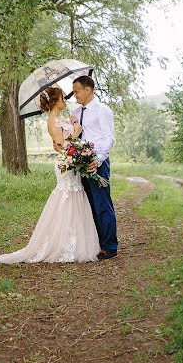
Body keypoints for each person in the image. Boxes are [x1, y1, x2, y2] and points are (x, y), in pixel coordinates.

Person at [0, 86, 100, 264]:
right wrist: (76, 131)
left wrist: (72, 124)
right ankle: (62, 244)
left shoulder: (59, 118)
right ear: (55, 102)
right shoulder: (53, 120)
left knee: (75, 196)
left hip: (69, 163)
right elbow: (63, 145)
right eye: (63, 99)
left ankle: (73, 241)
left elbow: (60, 144)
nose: (65, 101)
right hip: (65, 164)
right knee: (67, 197)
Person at [69, 75, 118, 259]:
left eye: (76, 91)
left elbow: (108, 138)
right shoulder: (75, 112)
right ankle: (96, 243)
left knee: (102, 204)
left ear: (87, 90)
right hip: (80, 163)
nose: (75, 96)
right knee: (88, 205)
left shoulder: (102, 110)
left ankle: (109, 246)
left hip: (98, 163)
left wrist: (97, 159)